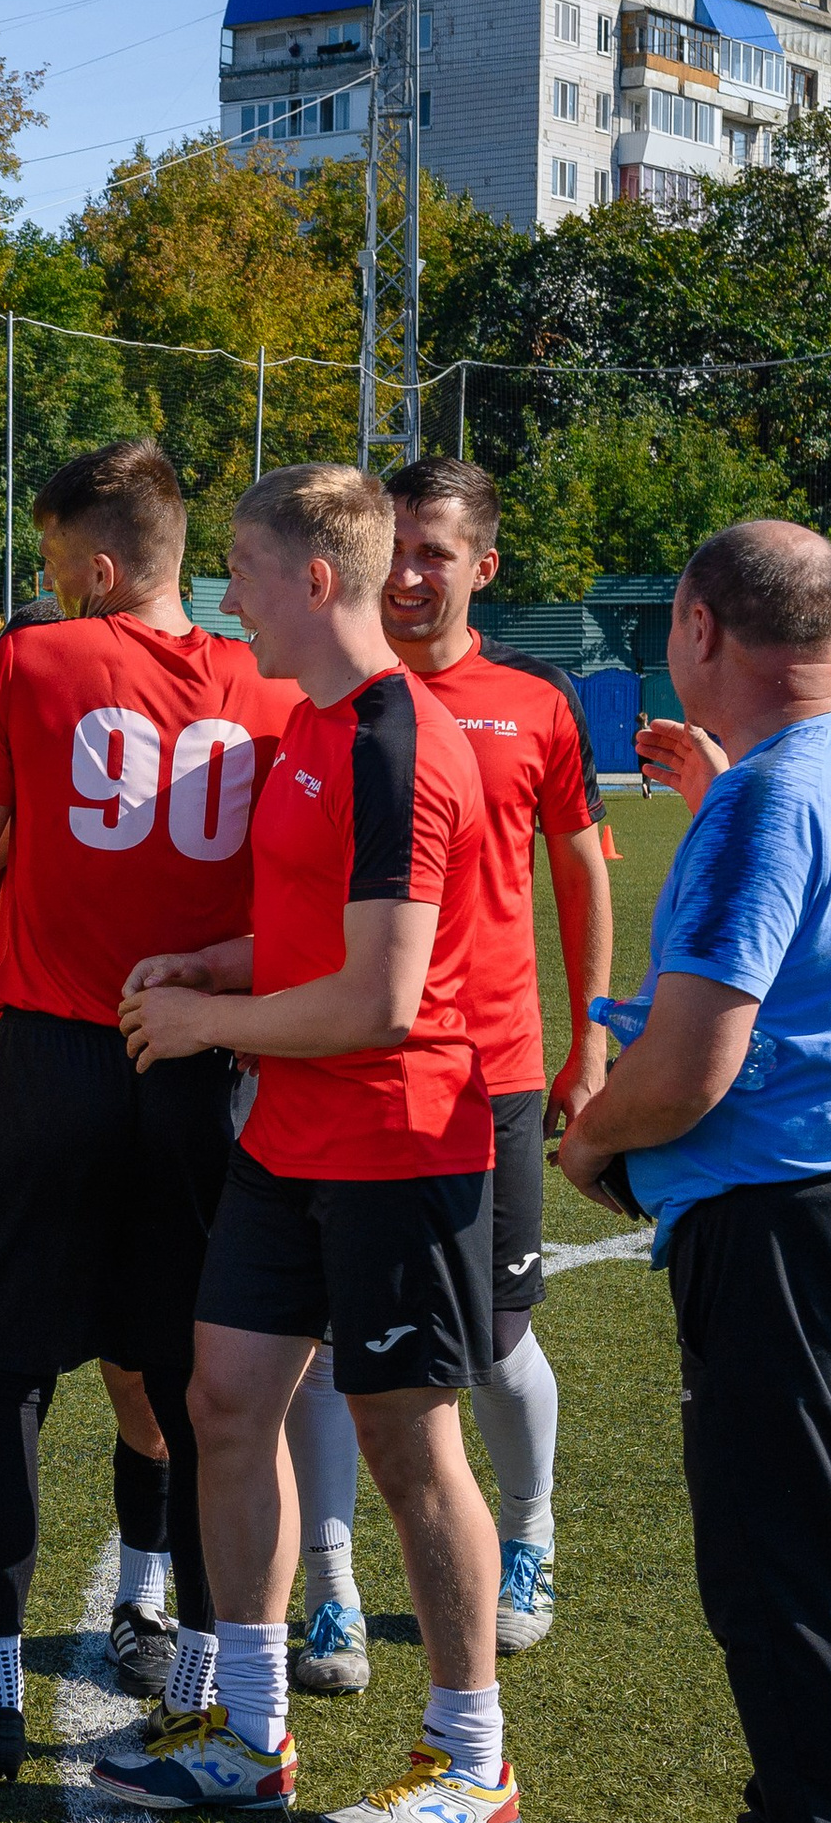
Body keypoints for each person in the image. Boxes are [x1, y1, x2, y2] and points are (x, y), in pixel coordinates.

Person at [101, 463, 519, 1823]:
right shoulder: (310, 730)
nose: (227, 595)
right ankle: (250, 1734)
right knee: (226, 1402)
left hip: (402, 1145)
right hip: (291, 1137)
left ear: (314, 582)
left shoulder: (402, 740)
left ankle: (470, 1755)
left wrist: (205, 1016)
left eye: (243, 568)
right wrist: (211, 959)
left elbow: (382, 997)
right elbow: (309, 934)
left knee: (409, 1444)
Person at [0, 440, 299, 1776]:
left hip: (50, 1060)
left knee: (4, 1377)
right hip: (199, 1064)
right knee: (204, 1395)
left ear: (93, 563)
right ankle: (194, 1674)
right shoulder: (270, 684)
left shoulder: (36, 660)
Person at [281, 457, 610, 1697]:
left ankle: (525, 1535)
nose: (410, 574)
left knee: (492, 1339)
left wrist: (591, 1036)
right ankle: (330, 1589)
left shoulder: (530, 705)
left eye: (435, 552)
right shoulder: (319, 700)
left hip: (489, 1077)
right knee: (316, 1342)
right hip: (333, 1069)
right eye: (396, 547)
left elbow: (578, 867)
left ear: (482, 568)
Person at [562, 519, 831, 1823]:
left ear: (700, 627)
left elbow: (698, 1060)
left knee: (776, 1555)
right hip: (812, 1198)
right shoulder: (795, 781)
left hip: (769, 1218)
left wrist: (600, 1137)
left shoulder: (768, 806)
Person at [0, 592, 182, 1712]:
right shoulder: (35, 781)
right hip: (39, 1090)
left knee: (139, 1378)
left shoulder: (109, 770)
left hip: (116, 1075)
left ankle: (143, 1597)